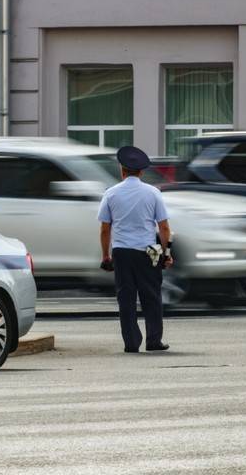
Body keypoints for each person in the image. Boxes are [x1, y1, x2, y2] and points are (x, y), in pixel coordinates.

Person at [97, 146, 174, 353]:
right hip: (149, 250)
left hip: (122, 251)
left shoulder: (110, 194)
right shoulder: (153, 193)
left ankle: (131, 342)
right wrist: (166, 254)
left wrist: (106, 255)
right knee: (152, 296)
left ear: (121, 170)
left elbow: (105, 229)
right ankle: (154, 340)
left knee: (126, 298)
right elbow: (164, 227)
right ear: (141, 172)